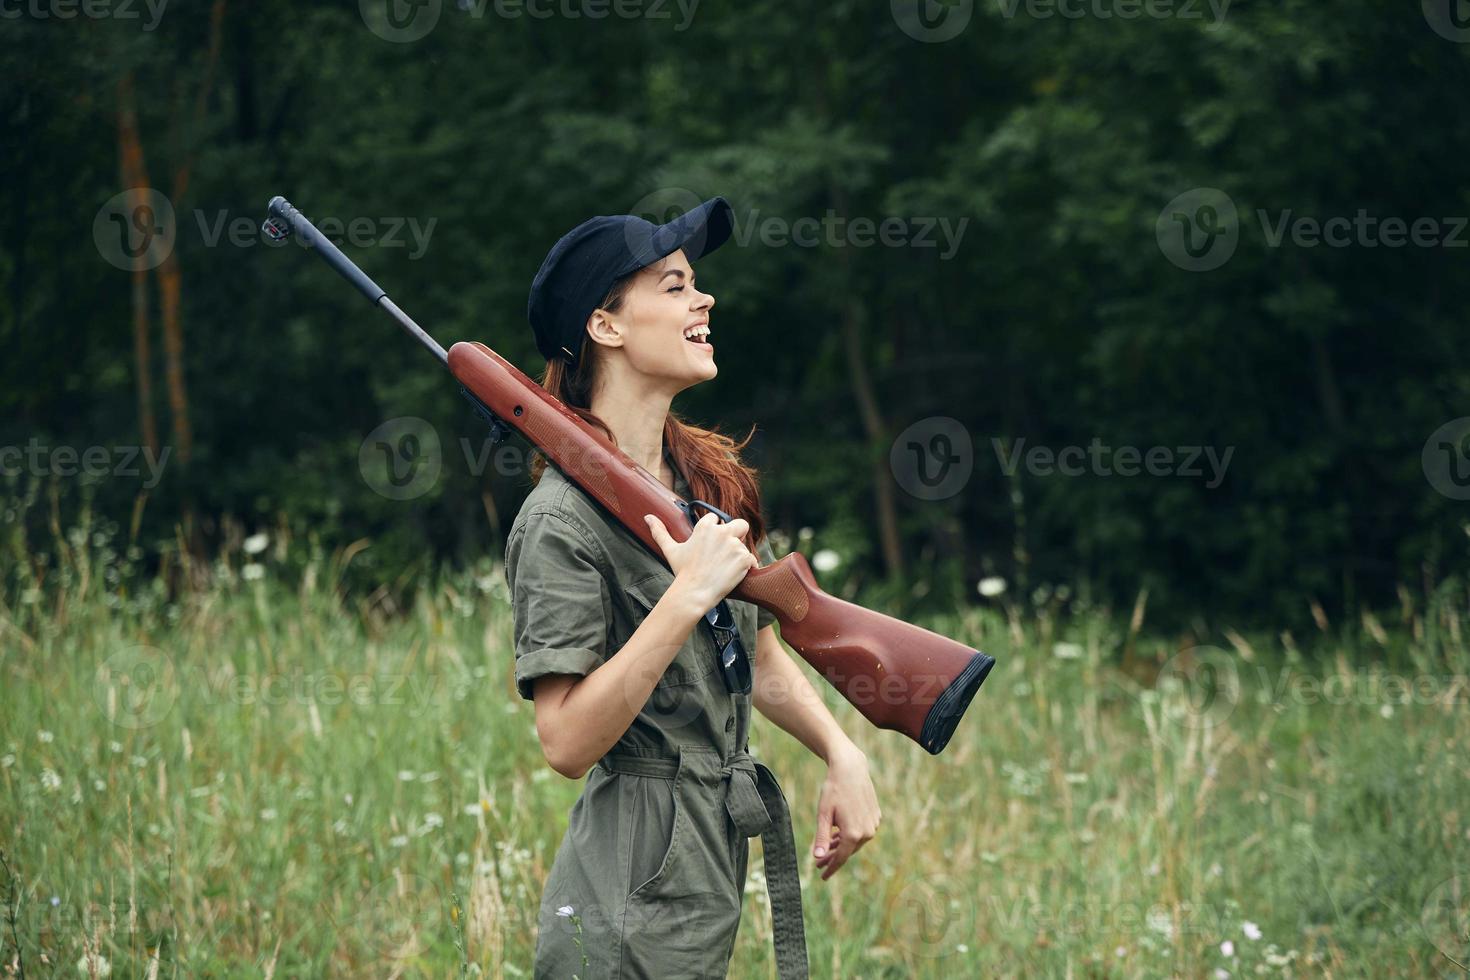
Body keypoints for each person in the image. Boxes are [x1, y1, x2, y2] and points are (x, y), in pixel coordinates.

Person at [505, 197, 883, 978]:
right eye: (673, 286)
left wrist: (843, 753)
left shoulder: (705, 485)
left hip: (708, 861)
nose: (703, 298)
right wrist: (683, 599)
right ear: (606, 327)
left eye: (696, 284)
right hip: (628, 878)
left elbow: (758, 657)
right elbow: (566, 742)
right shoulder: (559, 523)